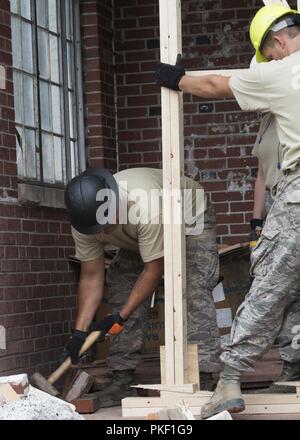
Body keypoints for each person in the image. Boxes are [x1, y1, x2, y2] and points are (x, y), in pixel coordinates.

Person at [155, 4, 300, 418]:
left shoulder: (282, 70)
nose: (271, 60)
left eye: (269, 53)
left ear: (277, 41)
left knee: (271, 286)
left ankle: (230, 380)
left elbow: (220, 84)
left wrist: (177, 79)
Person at [62, 167, 222, 407]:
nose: (103, 231)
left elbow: (153, 270)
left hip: (188, 216)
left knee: (192, 289)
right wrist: (80, 333)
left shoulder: (145, 209)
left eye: (106, 223)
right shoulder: (83, 222)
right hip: (138, 231)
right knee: (121, 286)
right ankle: (122, 380)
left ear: (114, 202)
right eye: (98, 228)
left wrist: (120, 318)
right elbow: (91, 276)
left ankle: (204, 379)